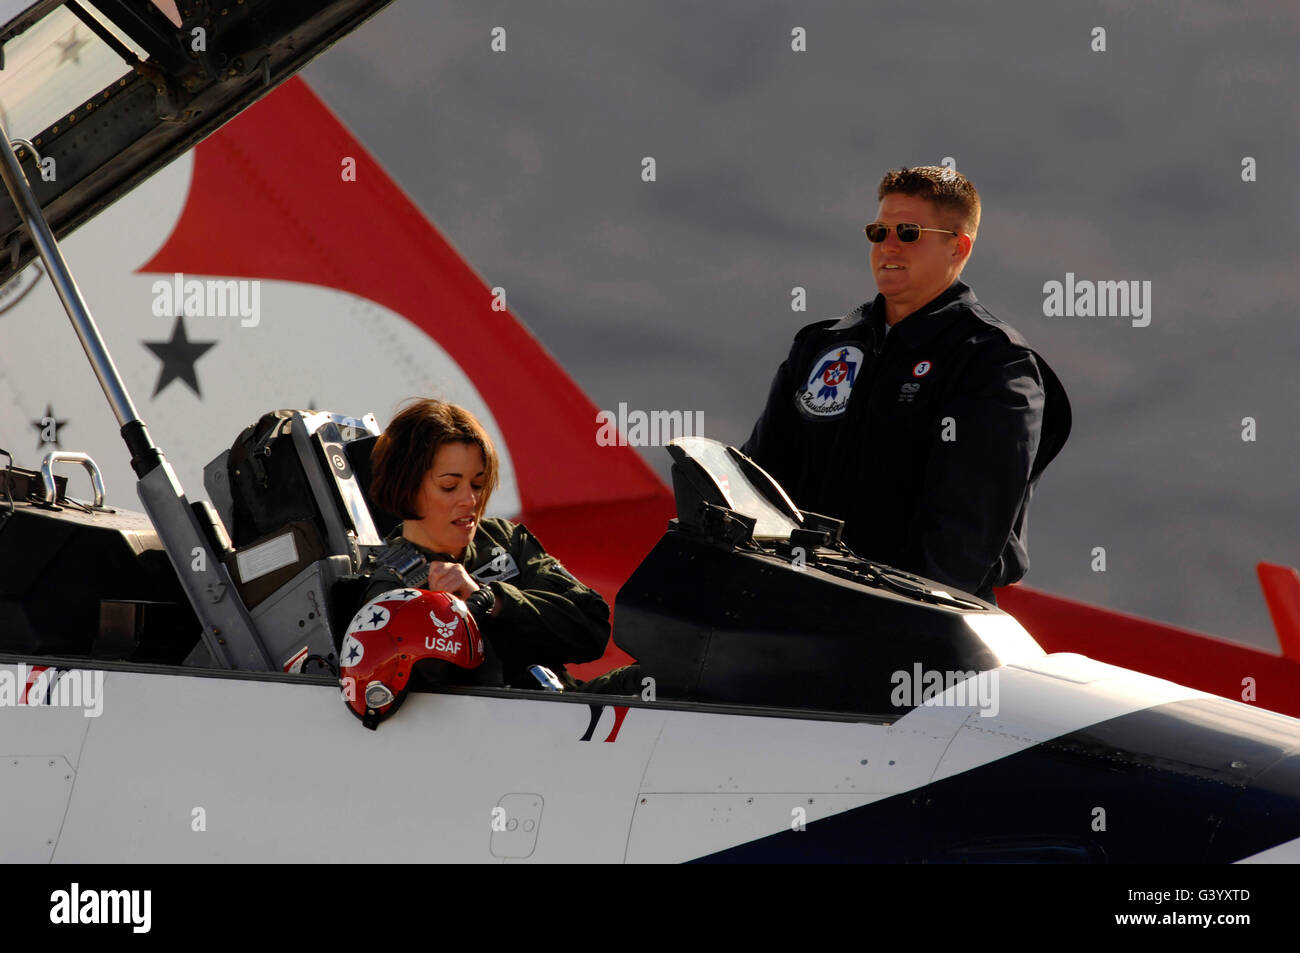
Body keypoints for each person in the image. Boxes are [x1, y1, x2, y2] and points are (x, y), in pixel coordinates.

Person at [742, 166, 1071, 604]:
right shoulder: (822, 345)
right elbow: (757, 484)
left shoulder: (993, 362)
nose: (887, 245)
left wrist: (879, 618)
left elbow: (961, 542)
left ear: (959, 246)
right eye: (878, 231)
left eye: (909, 232)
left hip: (910, 636)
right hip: (787, 615)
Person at [356, 398, 637, 692]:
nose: (471, 500)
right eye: (449, 486)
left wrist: (496, 601)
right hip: (507, 727)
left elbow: (591, 629)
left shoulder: (503, 539)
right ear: (406, 488)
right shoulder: (391, 595)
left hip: (568, 709)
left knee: (674, 675)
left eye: (477, 484)